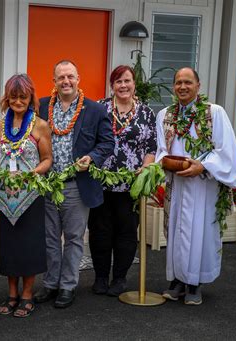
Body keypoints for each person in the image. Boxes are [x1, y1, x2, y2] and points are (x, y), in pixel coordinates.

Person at [155, 67, 236, 305]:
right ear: (173, 86)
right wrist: (166, 162)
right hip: (177, 183)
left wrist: (202, 167)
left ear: (198, 86)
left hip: (203, 185)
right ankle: (177, 281)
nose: (182, 86)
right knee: (176, 231)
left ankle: (195, 283)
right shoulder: (165, 115)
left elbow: (226, 150)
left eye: (188, 82)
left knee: (200, 231)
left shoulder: (215, 113)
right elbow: (162, 148)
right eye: (178, 82)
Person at [34, 60, 114, 308]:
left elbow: (107, 143)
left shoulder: (95, 110)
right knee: (49, 238)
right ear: (54, 81)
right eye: (61, 78)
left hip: (76, 185)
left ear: (78, 79)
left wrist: (93, 157)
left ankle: (68, 286)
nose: (66, 81)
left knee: (73, 238)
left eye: (70, 77)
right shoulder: (42, 107)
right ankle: (50, 283)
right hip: (48, 184)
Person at [88, 65, 157, 296]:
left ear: (134, 83)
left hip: (131, 185)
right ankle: (99, 277)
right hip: (101, 182)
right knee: (99, 231)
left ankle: (119, 278)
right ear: (112, 85)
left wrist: (146, 168)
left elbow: (151, 147)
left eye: (127, 80)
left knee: (126, 232)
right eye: (118, 81)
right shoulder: (99, 108)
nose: (123, 85)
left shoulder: (146, 113)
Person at [0, 74, 52, 318]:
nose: (18, 101)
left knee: (29, 246)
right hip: (6, 197)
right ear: (7, 98)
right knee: (10, 246)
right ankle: (11, 293)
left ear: (30, 98)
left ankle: (27, 295)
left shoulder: (40, 125)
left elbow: (47, 160)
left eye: (23, 97)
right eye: (13, 97)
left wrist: (30, 175)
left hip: (32, 195)